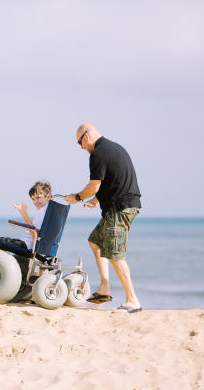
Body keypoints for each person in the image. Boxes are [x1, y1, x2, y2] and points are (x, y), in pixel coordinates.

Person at [65, 123, 143, 313]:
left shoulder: (98, 153)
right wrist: (97, 200)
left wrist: (76, 198)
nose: (81, 147)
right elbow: (112, 180)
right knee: (96, 241)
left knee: (116, 255)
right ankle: (104, 288)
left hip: (120, 209)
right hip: (120, 206)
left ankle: (133, 300)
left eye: (79, 143)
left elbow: (94, 185)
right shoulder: (113, 148)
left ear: (86, 136)